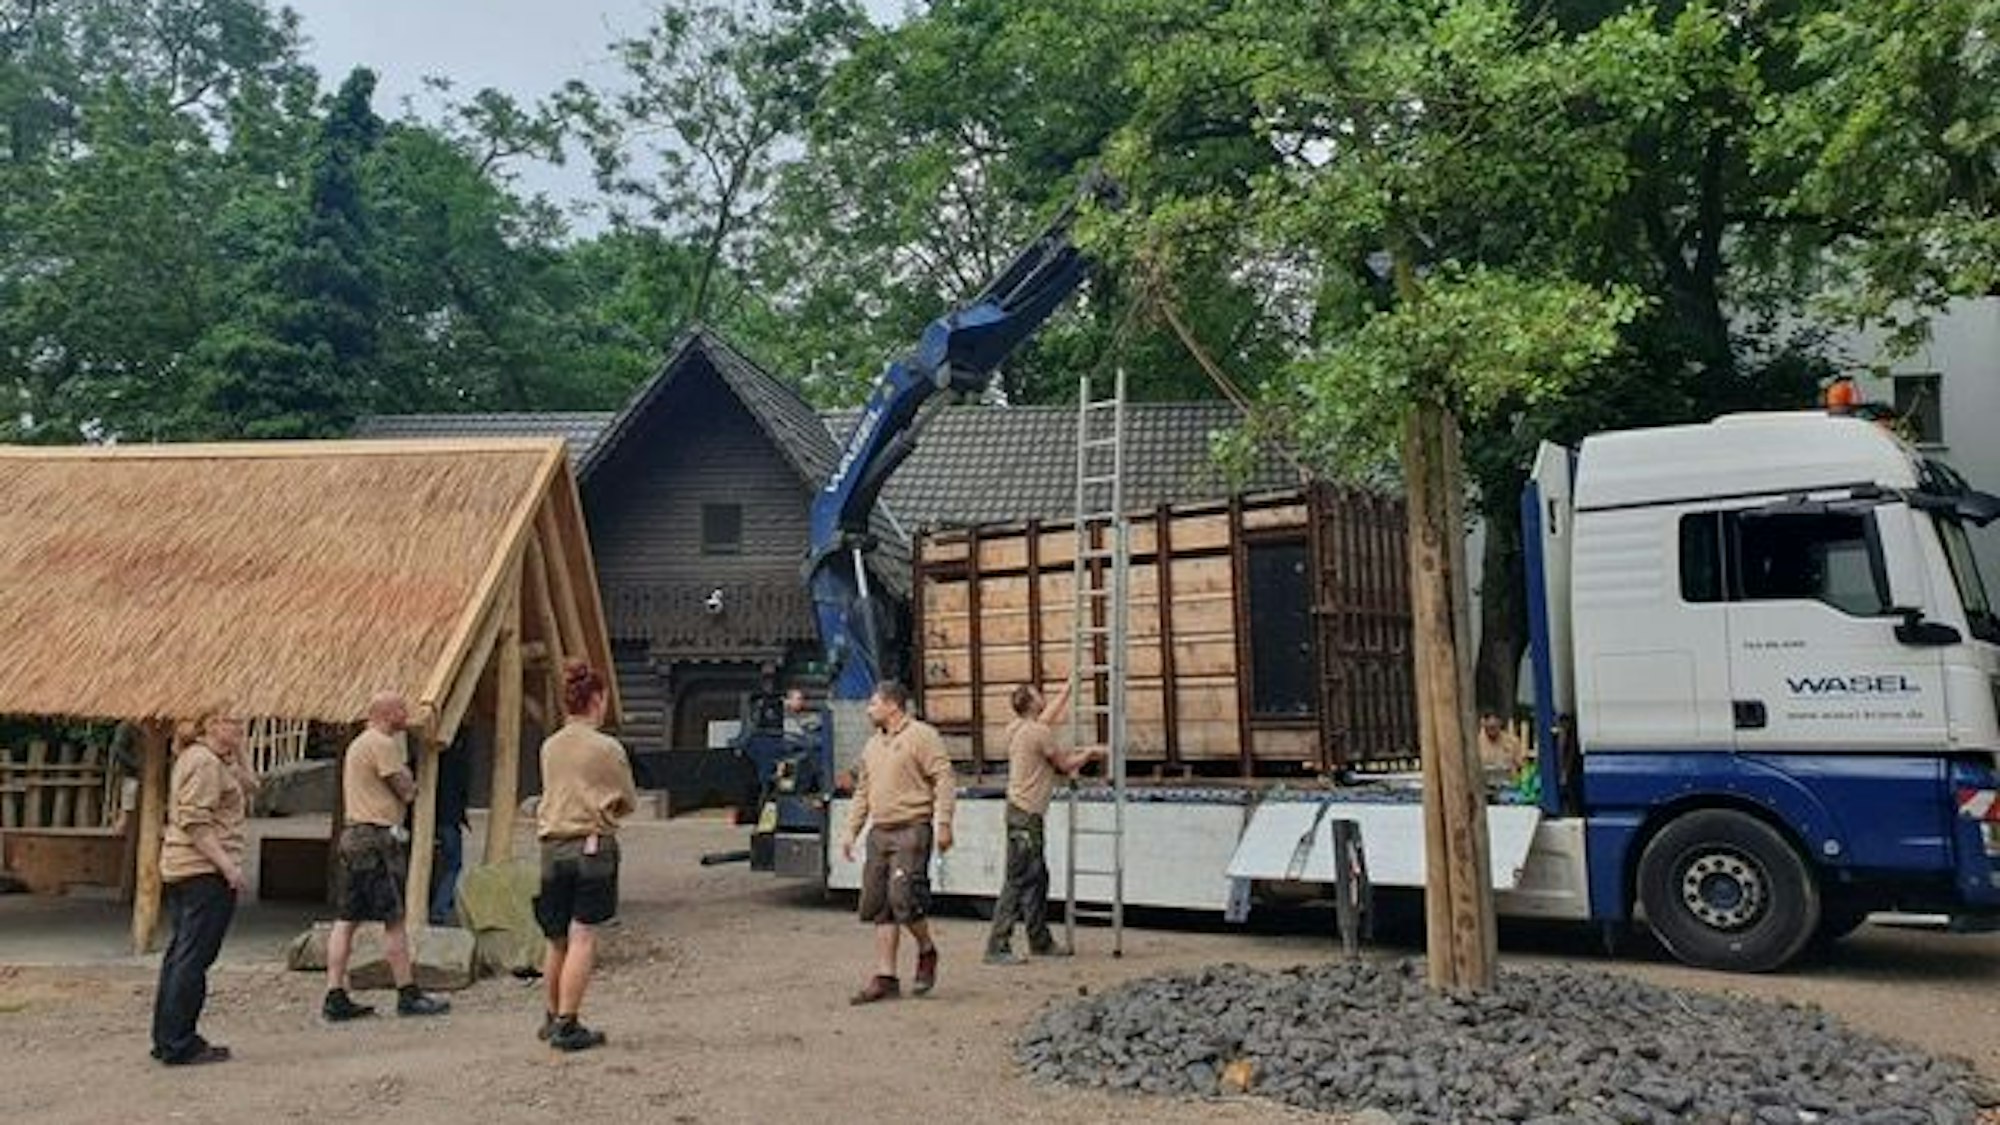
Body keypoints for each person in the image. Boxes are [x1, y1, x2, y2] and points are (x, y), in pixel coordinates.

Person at [322, 692, 450, 1022]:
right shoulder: (381, 745)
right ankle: (407, 991)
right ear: (387, 713)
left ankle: (335, 991)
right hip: (376, 836)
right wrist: (411, 779)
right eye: (401, 710)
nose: (406, 715)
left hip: (353, 835)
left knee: (346, 918)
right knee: (393, 918)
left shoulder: (360, 744)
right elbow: (406, 788)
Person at [534, 659, 638, 1052]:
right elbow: (626, 797)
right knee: (582, 936)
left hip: (550, 845)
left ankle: (550, 1013)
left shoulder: (549, 746)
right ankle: (568, 1021)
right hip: (591, 844)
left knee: (556, 937)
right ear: (597, 699)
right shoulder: (606, 748)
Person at [840, 680, 957, 1005]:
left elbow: (944, 777)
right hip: (880, 831)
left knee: (904, 898)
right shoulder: (872, 745)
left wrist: (944, 822)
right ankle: (886, 977)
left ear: (893, 705)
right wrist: (851, 831)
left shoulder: (921, 736)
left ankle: (927, 949)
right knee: (879, 905)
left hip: (912, 827)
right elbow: (864, 790)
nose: (869, 709)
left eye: (874, 703)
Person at [150, 706, 256, 1066]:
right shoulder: (205, 763)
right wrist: (227, 867)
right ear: (212, 725)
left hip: (190, 868)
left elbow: (252, 786)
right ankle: (180, 1041)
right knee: (193, 957)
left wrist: (240, 751)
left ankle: (167, 1036)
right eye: (234, 723)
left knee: (182, 953)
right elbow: (196, 821)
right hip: (202, 870)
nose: (240, 729)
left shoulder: (214, 760)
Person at [984, 681, 1105, 965]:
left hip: (1021, 812)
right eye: (1039, 695)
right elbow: (1065, 765)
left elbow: (1047, 718)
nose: (1043, 697)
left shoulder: (1018, 728)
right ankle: (997, 945)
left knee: (1038, 877)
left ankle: (1040, 941)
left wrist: (1067, 690)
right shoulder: (1037, 733)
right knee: (1019, 879)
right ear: (1030, 703)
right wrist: (1091, 753)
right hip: (1027, 816)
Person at [427, 728, 473, 926]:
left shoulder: (431, 760)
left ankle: (442, 901)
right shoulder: (459, 761)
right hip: (449, 819)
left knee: (437, 862)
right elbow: (462, 790)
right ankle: (440, 908)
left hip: (431, 817)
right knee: (453, 865)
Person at [1476, 710, 1527, 788]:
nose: (1492, 731)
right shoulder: (1476, 743)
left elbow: (1523, 767)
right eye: (1490, 728)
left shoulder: (1512, 741)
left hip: (1510, 787)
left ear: (1500, 723)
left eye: (1494, 727)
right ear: (1483, 723)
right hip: (1484, 787)